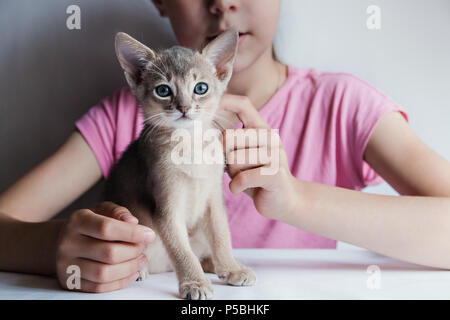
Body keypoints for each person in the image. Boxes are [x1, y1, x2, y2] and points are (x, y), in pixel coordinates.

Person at [0, 0, 449, 293]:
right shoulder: (129, 116)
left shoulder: (342, 105)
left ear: (221, 69)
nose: (223, 4)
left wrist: (296, 200)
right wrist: (56, 246)